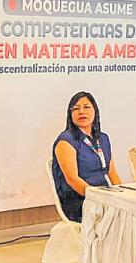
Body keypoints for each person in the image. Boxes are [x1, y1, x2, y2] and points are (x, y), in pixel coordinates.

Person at [52, 91, 121, 222]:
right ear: (70, 114)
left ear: (95, 111)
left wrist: (124, 195)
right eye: (76, 109)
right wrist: (99, 199)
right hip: (79, 200)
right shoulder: (65, 141)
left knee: (132, 211)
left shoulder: (103, 138)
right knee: (119, 217)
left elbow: (112, 173)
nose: (81, 112)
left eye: (87, 107)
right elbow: (72, 179)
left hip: (104, 195)